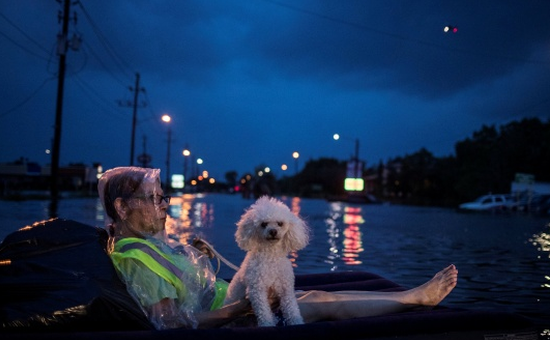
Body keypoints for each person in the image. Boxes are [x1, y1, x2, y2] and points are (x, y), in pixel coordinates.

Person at [98, 166, 458, 330]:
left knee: (312, 292)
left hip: (226, 301)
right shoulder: (135, 258)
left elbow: (182, 288)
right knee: (313, 300)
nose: (165, 205)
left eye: (164, 197)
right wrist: (239, 309)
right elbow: (171, 324)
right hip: (229, 318)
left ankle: (410, 297)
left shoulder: (145, 244)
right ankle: (415, 299)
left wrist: (201, 257)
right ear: (122, 208)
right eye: (155, 198)